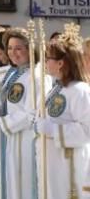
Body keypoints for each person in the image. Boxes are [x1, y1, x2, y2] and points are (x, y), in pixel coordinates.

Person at [0, 27, 51, 199]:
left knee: (24, 184)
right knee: (12, 183)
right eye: (9, 48)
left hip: (26, 138)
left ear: (30, 49)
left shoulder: (37, 74)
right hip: (11, 138)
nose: (13, 53)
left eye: (18, 48)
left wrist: (2, 123)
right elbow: (5, 99)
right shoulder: (13, 72)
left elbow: (31, 112)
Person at [38, 34, 90, 199]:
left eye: (48, 58)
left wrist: (52, 130)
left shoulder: (81, 91)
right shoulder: (55, 88)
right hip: (51, 160)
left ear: (60, 63)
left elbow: (86, 130)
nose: (45, 61)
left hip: (69, 163)